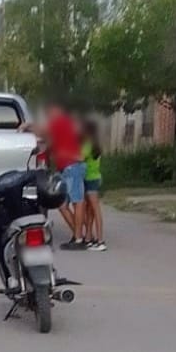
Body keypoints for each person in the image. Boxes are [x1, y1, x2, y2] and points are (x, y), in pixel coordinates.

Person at [21, 102, 88, 250]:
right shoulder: (62, 124)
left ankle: (79, 239)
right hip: (67, 168)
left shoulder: (60, 122)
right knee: (62, 204)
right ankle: (78, 235)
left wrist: (26, 126)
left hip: (72, 166)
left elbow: (42, 131)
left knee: (77, 202)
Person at [81, 121, 107, 251]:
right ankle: (88, 236)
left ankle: (100, 240)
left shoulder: (87, 144)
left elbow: (80, 157)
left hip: (89, 178)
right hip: (95, 176)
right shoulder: (96, 144)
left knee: (95, 209)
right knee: (90, 209)